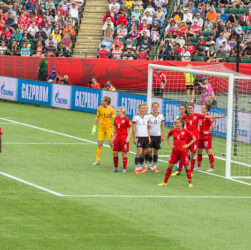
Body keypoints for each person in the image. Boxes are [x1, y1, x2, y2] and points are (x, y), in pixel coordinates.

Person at [173, 103, 226, 174]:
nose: (190, 110)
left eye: (191, 108)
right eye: (189, 108)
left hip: (194, 139)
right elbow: (177, 122)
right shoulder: (185, 116)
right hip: (187, 138)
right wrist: (175, 130)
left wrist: (220, 116)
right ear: (187, 109)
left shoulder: (197, 115)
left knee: (193, 155)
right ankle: (179, 170)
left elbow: (209, 117)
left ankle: (191, 171)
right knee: (183, 153)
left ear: (193, 109)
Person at [158, 118, 196, 188]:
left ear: (181, 123)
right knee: (170, 166)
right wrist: (170, 144)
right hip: (175, 151)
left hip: (183, 152)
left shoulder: (185, 131)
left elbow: (194, 138)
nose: (176, 124)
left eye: (178, 123)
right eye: (176, 123)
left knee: (186, 166)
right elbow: (167, 137)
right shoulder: (173, 130)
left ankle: (190, 182)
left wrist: (187, 145)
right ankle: (165, 182)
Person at [92, 96, 115, 165]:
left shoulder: (111, 110)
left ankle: (115, 160)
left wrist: (115, 131)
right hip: (101, 128)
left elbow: (114, 120)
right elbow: (97, 117)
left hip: (109, 129)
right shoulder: (99, 108)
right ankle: (97, 160)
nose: (101, 102)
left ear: (106, 102)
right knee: (99, 144)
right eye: (101, 101)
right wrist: (94, 127)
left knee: (111, 144)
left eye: (102, 101)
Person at [145, 102, 165, 173]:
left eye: (156, 107)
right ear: (152, 107)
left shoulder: (161, 116)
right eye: (154, 107)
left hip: (157, 136)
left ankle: (155, 167)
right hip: (150, 136)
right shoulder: (148, 116)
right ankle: (148, 165)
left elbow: (162, 126)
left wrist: (163, 135)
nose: (155, 108)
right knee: (148, 150)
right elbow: (146, 126)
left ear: (158, 107)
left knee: (156, 151)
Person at [112, 107, 132, 173]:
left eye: (118, 111)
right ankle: (116, 168)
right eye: (116, 111)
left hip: (124, 138)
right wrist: (113, 137)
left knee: (124, 154)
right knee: (114, 153)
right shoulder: (116, 118)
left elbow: (130, 128)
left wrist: (128, 137)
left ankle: (124, 169)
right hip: (117, 137)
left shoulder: (126, 119)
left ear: (122, 112)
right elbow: (115, 128)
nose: (116, 112)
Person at [132, 103, 151, 174]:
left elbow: (148, 128)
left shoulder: (147, 118)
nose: (143, 110)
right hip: (139, 137)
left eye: (144, 108)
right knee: (139, 151)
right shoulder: (135, 117)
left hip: (146, 137)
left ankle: (140, 166)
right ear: (139, 109)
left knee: (144, 152)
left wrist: (149, 137)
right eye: (141, 108)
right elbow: (133, 128)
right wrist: (134, 138)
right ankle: (136, 167)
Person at [196, 105, 216, 172]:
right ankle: (199, 166)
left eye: (203, 108)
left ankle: (212, 167)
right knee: (199, 151)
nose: (201, 109)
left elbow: (213, 125)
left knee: (208, 152)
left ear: (206, 109)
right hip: (200, 137)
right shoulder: (202, 117)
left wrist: (208, 131)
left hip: (206, 137)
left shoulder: (208, 116)